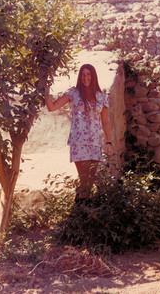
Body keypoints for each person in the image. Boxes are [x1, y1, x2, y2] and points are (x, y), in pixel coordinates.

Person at [45, 64, 112, 199]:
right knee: (84, 180)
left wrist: (109, 142)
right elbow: (52, 107)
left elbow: (105, 122)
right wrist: (44, 88)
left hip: (95, 143)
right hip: (79, 142)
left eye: (88, 74)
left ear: (93, 77)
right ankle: (81, 210)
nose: (85, 77)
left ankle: (83, 212)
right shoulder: (73, 93)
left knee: (89, 183)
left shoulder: (101, 97)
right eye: (83, 74)